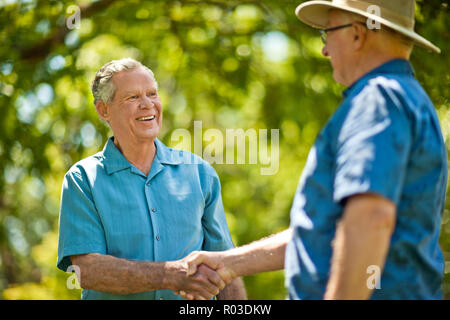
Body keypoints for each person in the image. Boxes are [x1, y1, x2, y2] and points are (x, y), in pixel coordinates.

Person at [182, 0, 447, 300]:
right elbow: (331, 230)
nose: (324, 50)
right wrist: (229, 263)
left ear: (358, 35)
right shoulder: (406, 99)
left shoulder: (377, 100)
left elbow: (370, 218)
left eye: (327, 33)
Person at [56, 58, 246, 300]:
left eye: (152, 94)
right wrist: (170, 275)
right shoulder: (83, 180)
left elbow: (226, 266)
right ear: (104, 110)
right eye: (132, 97)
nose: (148, 105)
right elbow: (87, 270)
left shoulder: (199, 174)